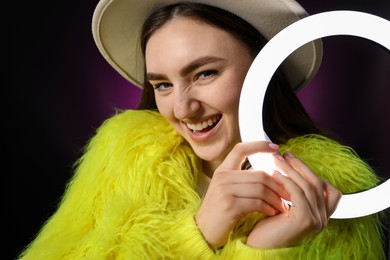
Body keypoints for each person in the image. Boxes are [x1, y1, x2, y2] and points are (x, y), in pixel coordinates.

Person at [18, 0, 386, 259]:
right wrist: (198, 233)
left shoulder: (328, 193)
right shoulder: (122, 158)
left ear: (264, 69)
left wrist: (267, 250)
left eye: (205, 73)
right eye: (162, 84)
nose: (182, 109)